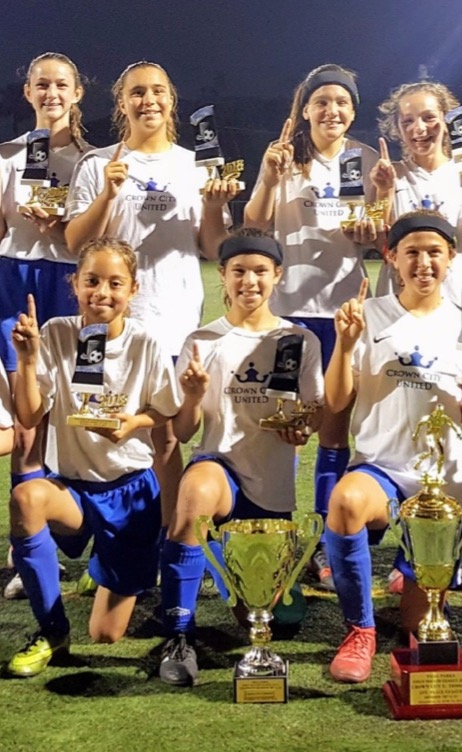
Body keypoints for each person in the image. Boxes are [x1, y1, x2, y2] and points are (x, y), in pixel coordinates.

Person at [64, 60, 236, 540]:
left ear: (171, 100)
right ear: (122, 103)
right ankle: (109, 536)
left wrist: (215, 206)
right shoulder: (97, 164)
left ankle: (170, 538)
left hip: (176, 317)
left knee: (165, 435)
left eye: (158, 91)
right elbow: (76, 243)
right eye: (137, 92)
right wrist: (107, 194)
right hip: (112, 323)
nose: (149, 100)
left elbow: (213, 248)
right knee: (101, 426)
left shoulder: (193, 165)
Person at [323, 210, 462, 683]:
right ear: (391, 257)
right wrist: (344, 345)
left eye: (434, 252)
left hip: (441, 478)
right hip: (381, 465)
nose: (423, 262)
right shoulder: (368, 314)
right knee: (345, 501)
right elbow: (336, 399)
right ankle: (360, 630)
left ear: (450, 258)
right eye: (411, 252)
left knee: (420, 626)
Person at [6, 237, 180, 678]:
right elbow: (28, 415)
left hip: (129, 494)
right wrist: (27, 360)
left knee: (105, 634)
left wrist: (134, 423)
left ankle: (106, 563)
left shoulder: (146, 342)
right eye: (92, 281)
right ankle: (52, 631)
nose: (102, 292)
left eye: (115, 283)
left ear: (133, 289)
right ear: (75, 284)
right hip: (72, 489)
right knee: (27, 498)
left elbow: (166, 409)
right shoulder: (57, 332)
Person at [158, 230, 324, 686]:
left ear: (278, 275)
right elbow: (184, 432)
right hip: (221, 470)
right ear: (223, 275)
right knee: (195, 493)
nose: (249, 281)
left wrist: (302, 426)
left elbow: (313, 413)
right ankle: (178, 635)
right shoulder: (202, 340)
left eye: (260, 271)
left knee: (275, 617)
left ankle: (217, 555)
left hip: (270, 491)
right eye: (239, 271)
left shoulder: (299, 339)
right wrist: (193, 396)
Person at [244, 64, 380, 590]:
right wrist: (269, 175)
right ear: (305, 109)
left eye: (342, 102)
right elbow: (254, 221)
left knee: (333, 429)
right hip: (289, 315)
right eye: (321, 101)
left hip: (344, 316)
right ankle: (275, 531)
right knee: (283, 429)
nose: (332, 110)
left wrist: (372, 227)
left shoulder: (366, 160)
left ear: (353, 110)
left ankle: (325, 539)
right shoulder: (284, 158)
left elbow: (378, 233)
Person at [1, 52, 91, 599]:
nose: (51, 93)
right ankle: (28, 548)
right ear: (28, 92)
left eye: (61, 84)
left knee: (75, 411)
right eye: (42, 84)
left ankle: (89, 531)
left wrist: (62, 227)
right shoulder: (7, 156)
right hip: (13, 282)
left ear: (77, 93)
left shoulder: (93, 160)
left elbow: (96, 235)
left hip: (71, 283)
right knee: (27, 418)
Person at [372, 80, 462, 304]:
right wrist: (384, 191)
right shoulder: (389, 175)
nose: (419, 128)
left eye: (429, 118)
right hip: (397, 300)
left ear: (446, 121)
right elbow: (381, 246)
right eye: (408, 121)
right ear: (397, 128)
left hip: (453, 299)